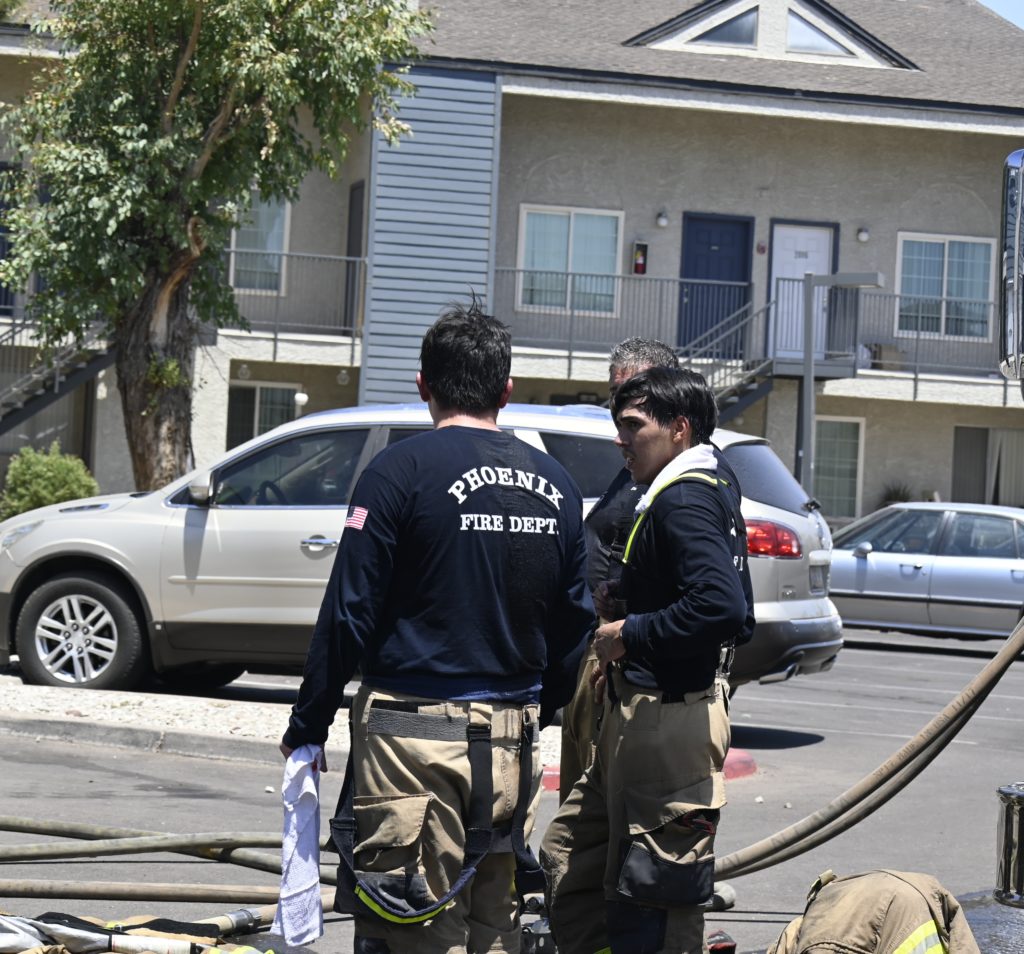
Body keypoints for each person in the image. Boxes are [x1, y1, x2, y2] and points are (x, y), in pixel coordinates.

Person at [280, 300, 594, 954]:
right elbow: (576, 626)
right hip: (513, 743)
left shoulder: (397, 472)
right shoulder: (558, 485)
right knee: (495, 929)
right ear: (506, 390)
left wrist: (308, 724)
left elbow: (348, 611)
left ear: (424, 385)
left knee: (413, 928)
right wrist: (537, 711)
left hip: (413, 741)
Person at [541, 366, 755, 954]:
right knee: (570, 859)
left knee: (654, 900)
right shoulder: (693, 484)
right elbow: (733, 610)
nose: (621, 439)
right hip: (640, 715)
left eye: (634, 425)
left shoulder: (685, 497)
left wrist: (631, 634)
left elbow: (724, 608)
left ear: (679, 428)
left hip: (668, 726)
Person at [559, 337, 680, 803]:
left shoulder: (676, 482)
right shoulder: (635, 469)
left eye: (634, 393)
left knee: (600, 804)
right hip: (600, 648)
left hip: (625, 659)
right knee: (581, 799)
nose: (620, 409)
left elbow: (718, 605)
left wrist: (625, 637)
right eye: (615, 395)